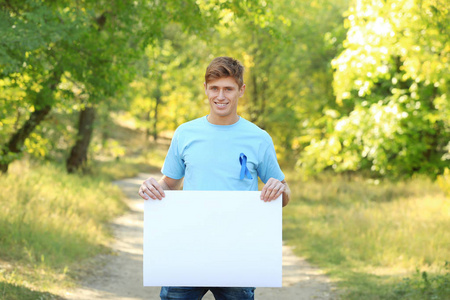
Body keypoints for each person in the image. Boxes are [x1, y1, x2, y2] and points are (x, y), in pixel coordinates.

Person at [138, 56, 291, 300]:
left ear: (241, 91)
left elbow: (284, 194)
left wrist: (280, 190)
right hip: (187, 249)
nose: (221, 96)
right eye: (215, 88)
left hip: (237, 254)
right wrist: (152, 187)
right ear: (206, 90)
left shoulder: (258, 138)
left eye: (228, 89)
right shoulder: (185, 133)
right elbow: (169, 183)